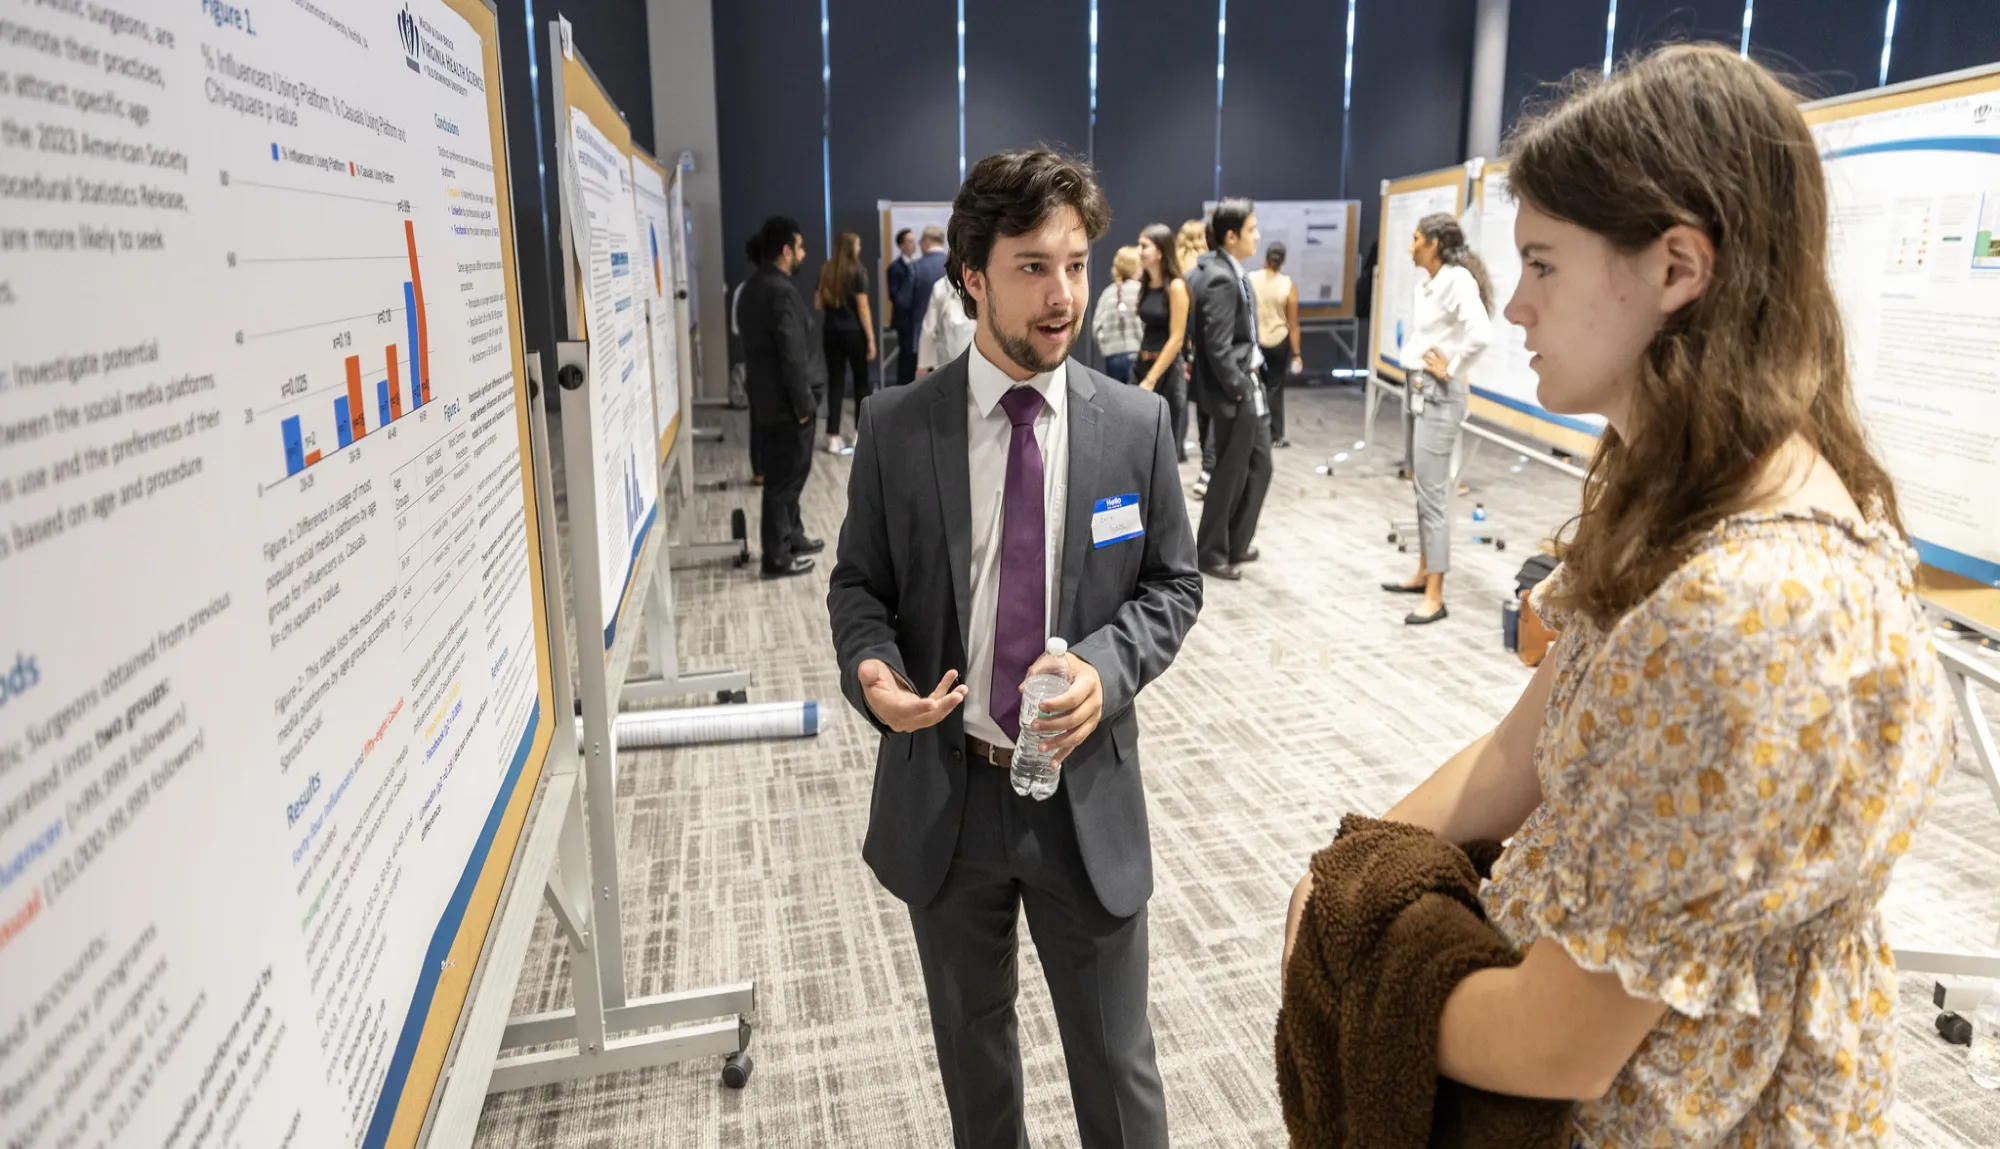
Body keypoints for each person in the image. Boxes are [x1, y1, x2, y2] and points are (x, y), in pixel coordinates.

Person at [1285, 44, 1955, 1149]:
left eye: (1542, 263)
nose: (1515, 308)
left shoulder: (1747, 617)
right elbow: (1522, 751)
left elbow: (1558, 1041)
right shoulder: (1689, 499)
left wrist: (1347, 967)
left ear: (1675, 267)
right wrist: (1345, 876)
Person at [827, 148, 1201, 1149]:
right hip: (946, 798)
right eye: (1033, 266)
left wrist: (1106, 667)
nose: (1063, 294)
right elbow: (857, 585)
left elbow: (1173, 585)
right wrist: (873, 673)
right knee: (975, 1072)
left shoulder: (1133, 425)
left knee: (1117, 1077)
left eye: (1076, 263)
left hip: (1081, 798)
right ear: (971, 278)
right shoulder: (900, 429)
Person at [1381, 212, 1492, 624]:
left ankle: (1436, 594)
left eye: (1414, 239)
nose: (1410, 246)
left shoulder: (1457, 281)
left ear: (1432, 243)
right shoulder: (1430, 284)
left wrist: (1455, 364)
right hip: (1420, 391)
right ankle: (1424, 570)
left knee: (1434, 497)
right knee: (1422, 489)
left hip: (1439, 394)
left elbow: (1481, 333)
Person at [1186, 198, 1271, 581]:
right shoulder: (1219, 275)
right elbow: (1217, 345)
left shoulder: (1225, 269)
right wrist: (1238, 387)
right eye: (1252, 230)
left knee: (1258, 465)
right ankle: (1212, 552)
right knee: (1229, 472)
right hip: (1234, 391)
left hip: (1246, 385)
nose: (1258, 236)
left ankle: (1236, 542)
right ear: (1231, 236)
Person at [737, 216, 823, 579]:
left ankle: (793, 535)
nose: (804, 254)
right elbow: (791, 354)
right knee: (784, 481)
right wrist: (803, 405)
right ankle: (776, 557)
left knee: (788, 474)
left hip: (768, 400)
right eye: (800, 247)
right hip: (789, 404)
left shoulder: (753, 287)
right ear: (786, 251)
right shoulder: (781, 292)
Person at [1132, 225, 1190, 461]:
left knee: (1166, 449)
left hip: (1165, 371)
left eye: (1144, 246)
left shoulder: (1176, 287)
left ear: (1160, 252)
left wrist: (1151, 378)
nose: (1139, 251)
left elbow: (1176, 338)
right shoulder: (1146, 286)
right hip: (1142, 365)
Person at [815, 231, 876, 453]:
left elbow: (817, 304)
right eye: (858, 245)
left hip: (831, 332)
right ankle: (860, 434)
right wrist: (870, 339)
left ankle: (833, 436)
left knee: (835, 383)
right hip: (854, 333)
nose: (860, 248)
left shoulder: (826, 270)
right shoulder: (858, 271)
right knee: (861, 383)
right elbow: (863, 308)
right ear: (851, 247)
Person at [1247, 241, 1302, 448]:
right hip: (1279, 341)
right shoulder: (1287, 285)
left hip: (1255, 341)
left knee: (1253, 387)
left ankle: (1253, 431)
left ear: (1266, 258)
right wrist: (1297, 353)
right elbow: (1293, 323)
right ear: (1283, 260)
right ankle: (1275, 435)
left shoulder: (1252, 279)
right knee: (1275, 388)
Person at [732, 233, 765, 485]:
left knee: (758, 419)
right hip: (765, 368)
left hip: (755, 365)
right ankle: (764, 470)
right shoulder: (776, 290)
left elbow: (736, 327)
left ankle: (760, 470)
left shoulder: (743, 290)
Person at [898, 226, 950, 385]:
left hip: (920, 337)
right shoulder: (955, 267)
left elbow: (903, 302)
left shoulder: (915, 267)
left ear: (926, 242)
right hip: (952, 337)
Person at [1090, 245, 1145, 384]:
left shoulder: (1107, 294)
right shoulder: (1142, 291)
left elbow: (1096, 327)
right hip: (1139, 355)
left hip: (1113, 358)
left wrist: (1107, 346)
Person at [915, 271, 976, 375]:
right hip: (974, 364)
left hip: (948, 366)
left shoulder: (941, 287)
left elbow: (929, 329)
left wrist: (922, 365)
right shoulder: (982, 284)